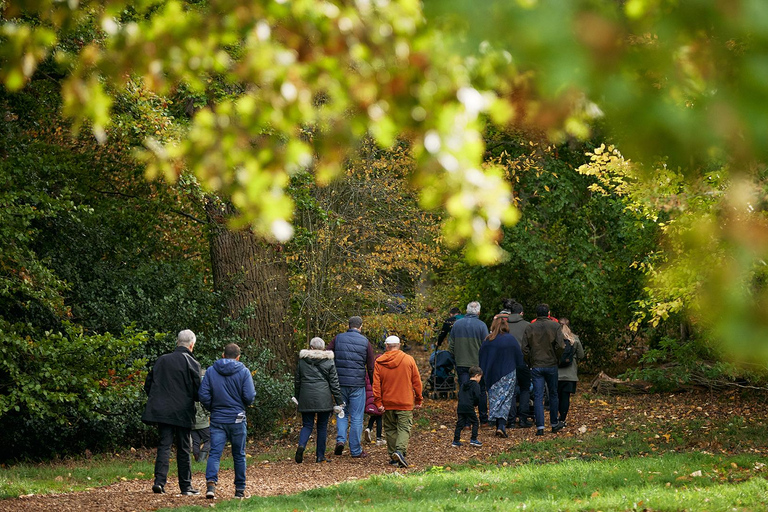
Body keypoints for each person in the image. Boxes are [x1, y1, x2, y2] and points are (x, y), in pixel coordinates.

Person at [141, 329, 201, 496]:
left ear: (177, 342)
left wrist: (159, 399)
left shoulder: (162, 360)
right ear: (192, 345)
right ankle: (186, 486)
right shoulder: (192, 363)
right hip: (183, 412)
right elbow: (198, 392)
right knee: (183, 448)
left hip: (163, 411)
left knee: (164, 446)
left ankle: (159, 482)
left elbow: (148, 385)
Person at [199, 343, 256, 500]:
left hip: (218, 418)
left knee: (215, 453)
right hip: (237, 418)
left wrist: (213, 407)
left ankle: (211, 485)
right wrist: (241, 406)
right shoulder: (244, 372)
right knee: (239, 454)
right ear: (238, 357)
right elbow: (250, 396)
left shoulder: (211, 371)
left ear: (223, 355)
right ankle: (239, 489)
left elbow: (203, 394)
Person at [327, 316, 375, 458]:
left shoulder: (338, 338)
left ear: (348, 325)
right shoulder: (365, 342)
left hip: (340, 383)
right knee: (356, 417)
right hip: (357, 385)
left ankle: (340, 440)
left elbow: (327, 355)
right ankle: (355, 450)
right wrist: (372, 384)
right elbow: (371, 367)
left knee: (341, 413)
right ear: (360, 326)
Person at [373, 335, 423, 468]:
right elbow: (416, 382)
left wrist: (378, 403)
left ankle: (394, 457)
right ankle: (399, 451)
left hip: (387, 402)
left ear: (386, 346)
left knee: (390, 429)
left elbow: (376, 385)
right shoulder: (408, 360)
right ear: (399, 345)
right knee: (404, 428)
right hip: (405, 401)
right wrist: (418, 398)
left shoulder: (379, 362)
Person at [294, 337, 344, 464]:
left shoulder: (302, 361)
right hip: (324, 398)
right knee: (322, 427)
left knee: (307, 425)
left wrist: (298, 397)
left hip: (306, 397)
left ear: (311, 347)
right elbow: (334, 383)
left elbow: (297, 381)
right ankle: (320, 456)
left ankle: (301, 446)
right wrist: (339, 400)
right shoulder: (329, 361)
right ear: (323, 348)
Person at [521, 304, 565, 436]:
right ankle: (554, 423)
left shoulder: (530, 327)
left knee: (538, 396)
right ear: (549, 313)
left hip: (536, 365)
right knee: (553, 394)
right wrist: (557, 358)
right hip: (551, 364)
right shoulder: (555, 326)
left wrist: (530, 361)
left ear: (536, 314)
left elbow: (524, 348)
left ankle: (540, 426)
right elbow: (561, 345)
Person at [479, 316, 525, 437]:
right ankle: (502, 425)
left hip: (491, 374)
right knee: (506, 399)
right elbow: (519, 356)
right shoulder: (510, 339)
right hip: (508, 372)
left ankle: (495, 420)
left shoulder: (488, 340)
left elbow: (481, 358)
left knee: (494, 398)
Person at [448, 301, 489, 424]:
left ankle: (465, 422)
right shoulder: (482, 326)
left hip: (461, 363)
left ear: (466, 311)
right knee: (481, 391)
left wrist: (456, 358)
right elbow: (486, 346)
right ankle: (483, 420)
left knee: (464, 392)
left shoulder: (456, 325)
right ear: (479, 312)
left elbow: (451, 346)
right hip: (477, 364)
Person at [506, 302, 533, 428]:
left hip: (507, 361)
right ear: (521, 313)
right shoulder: (527, 326)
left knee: (510, 390)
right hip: (523, 361)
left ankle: (510, 420)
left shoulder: (504, 325)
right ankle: (523, 418)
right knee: (525, 389)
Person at [557, 318, 585, 426]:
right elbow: (581, 355)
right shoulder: (575, 339)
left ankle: (555, 418)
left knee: (556, 396)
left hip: (557, 374)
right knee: (565, 397)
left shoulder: (556, 339)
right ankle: (562, 419)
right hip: (570, 374)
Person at [451, 366, 483, 447]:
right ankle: (473, 439)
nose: (480, 379)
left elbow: (459, 394)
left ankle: (456, 440)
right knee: (475, 422)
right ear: (477, 375)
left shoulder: (463, 384)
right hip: (469, 406)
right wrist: (475, 404)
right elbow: (477, 396)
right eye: (480, 377)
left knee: (460, 423)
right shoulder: (475, 385)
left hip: (461, 406)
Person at [192, 369, 211, 463]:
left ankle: (197, 459)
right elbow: (206, 408)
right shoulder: (203, 393)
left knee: (196, 441)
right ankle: (202, 458)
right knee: (211, 439)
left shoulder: (190, 391)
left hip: (192, 422)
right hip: (203, 422)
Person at [364, 371, 385, 446]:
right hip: (377, 397)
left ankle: (369, 428)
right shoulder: (380, 373)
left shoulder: (367, 374)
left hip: (369, 398)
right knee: (379, 416)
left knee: (373, 415)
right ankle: (378, 439)